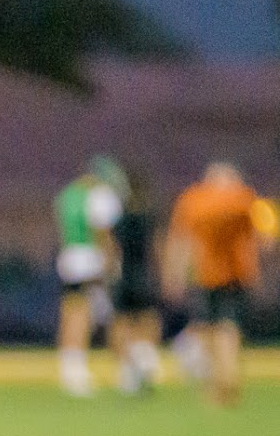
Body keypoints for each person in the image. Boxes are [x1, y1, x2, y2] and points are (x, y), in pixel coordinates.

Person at [165, 162, 260, 407]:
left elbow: (181, 239)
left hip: (203, 274)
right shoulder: (243, 199)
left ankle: (216, 383)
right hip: (236, 274)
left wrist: (174, 273)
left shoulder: (193, 200)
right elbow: (262, 234)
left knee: (208, 328)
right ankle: (228, 376)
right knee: (229, 326)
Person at [54, 157, 126, 397]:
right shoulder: (99, 195)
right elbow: (103, 231)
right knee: (93, 315)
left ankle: (70, 366)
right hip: (91, 262)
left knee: (72, 312)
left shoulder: (67, 195)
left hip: (69, 259)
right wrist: (111, 259)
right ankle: (123, 368)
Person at [108, 165, 163, 396]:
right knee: (148, 321)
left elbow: (111, 251)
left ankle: (127, 370)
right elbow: (157, 249)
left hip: (123, 276)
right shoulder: (149, 218)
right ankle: (146, 358)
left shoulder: (119, 220)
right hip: (144, 275)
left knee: (121, 323)